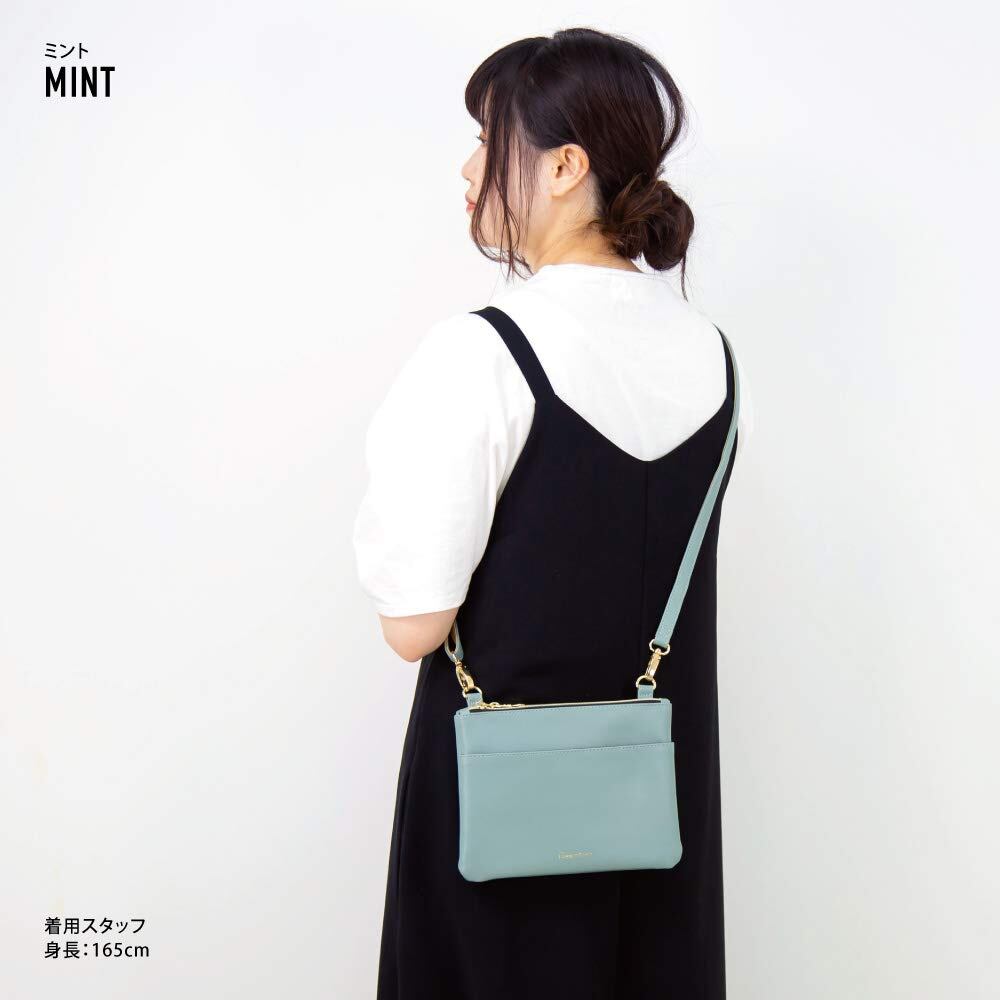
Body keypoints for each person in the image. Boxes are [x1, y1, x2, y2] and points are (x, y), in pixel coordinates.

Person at [352, 26, 754, 1000]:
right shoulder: (711, 353)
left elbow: (413, 626)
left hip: (501, 839)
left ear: (565, 167)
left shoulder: (482, 351)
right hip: (656, 828)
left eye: (487, 144)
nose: (469, 170)